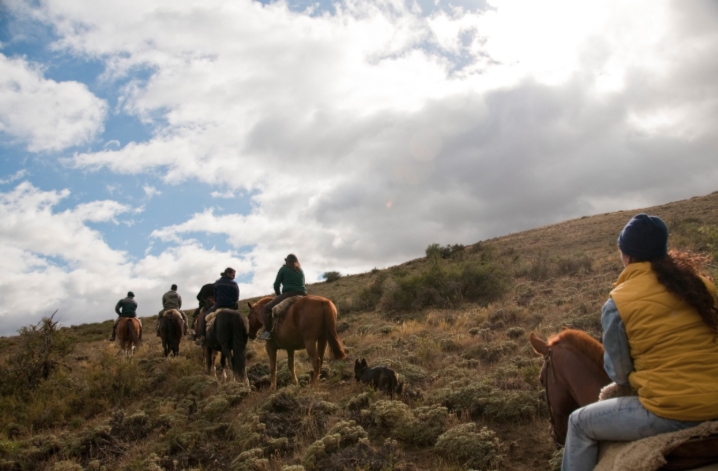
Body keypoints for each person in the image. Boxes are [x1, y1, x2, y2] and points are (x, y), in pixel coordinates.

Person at [562, 214, 718, 471]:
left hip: (674, 413)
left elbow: (620, 374)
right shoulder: (702, 285)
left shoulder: (618, 302)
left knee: (579, 423)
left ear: (628, 256)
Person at [257, 254, 307, 341]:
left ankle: (267, 333)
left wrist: (278, 295)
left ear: (287, 261)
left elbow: (276, 284)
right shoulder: (300, 270)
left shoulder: (283, 269)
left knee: (267, 308)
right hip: (303, 294)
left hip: (289, 294)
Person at [196, 268, 240, 346]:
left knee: (205, 315)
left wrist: (218, 302)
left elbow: (216, 296)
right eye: (233, 275)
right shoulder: (234, 284)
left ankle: (202, 336)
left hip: (220, 305)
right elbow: (236, 296)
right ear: (228, 274)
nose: (234, 277)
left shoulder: (217, 283)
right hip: (232, 306)